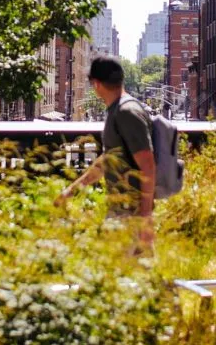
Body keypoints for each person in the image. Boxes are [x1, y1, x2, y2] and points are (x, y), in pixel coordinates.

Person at [55, 55, 155, 251]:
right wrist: (73, 189)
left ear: (97, 84)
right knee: (132, 275)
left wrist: (145, 217)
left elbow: (148, 164)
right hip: (122, 210)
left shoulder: (127, 112)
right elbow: (107, 160)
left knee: (114, 272)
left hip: (129, 213)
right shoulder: (117, 110)